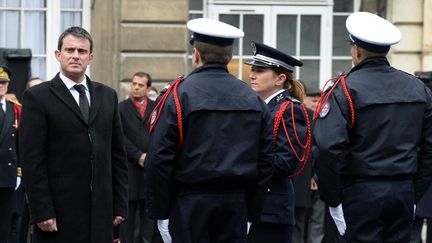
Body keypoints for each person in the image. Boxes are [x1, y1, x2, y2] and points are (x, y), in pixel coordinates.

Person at [145, 18, 274, 243]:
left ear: (196, 54)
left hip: (189, 204)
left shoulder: (178, 96)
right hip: (235, 204)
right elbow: (265, 161)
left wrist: (160, 212)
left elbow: (159, 159)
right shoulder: (253, 99)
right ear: (230, 57)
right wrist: (252, 210)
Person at [313, 12, 432, 242]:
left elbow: (328, 149)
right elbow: (429, 148)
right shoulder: (418, 88)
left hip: (360, 192)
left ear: (356, 50)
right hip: (402, 189)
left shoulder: (344, 89)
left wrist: (333, 199)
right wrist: (414, 192)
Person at [19, 26, 128, 243]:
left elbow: (117, 154)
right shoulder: (37, 97)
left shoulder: (107, 95)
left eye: (82, 51)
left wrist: (120, 204)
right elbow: (32, 160)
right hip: (58, 215)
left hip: (101, 214)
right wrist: (42, 210)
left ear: (91, 57)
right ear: (58, 54)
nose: (76, 56)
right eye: (70, 50)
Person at [245, 42, 310, 243]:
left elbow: (286, 163)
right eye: (252, 70)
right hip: (252, 204)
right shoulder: (259, 107)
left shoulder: (289, 109)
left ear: (280, 79)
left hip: (271, 208)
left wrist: (242, 159)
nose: (252, 75)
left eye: (260, 70)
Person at [118, 71, 158, 243]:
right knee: (128, 221)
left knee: (148, 220)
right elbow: (119, 137)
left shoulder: (156, 108)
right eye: (134, 84)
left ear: (148, 88)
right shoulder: (120, 108)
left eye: (140, 85)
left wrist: (151, 155)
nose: (135, 87)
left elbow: (160, 133)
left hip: (150, 171)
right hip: (129, 171)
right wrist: (138, 156)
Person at [0, 66, 22, 243]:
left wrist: (19, 171)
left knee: (8, 223)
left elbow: (21, 144)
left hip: (8, 174)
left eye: (3, 82)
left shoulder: (15, 109)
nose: (0, 86)